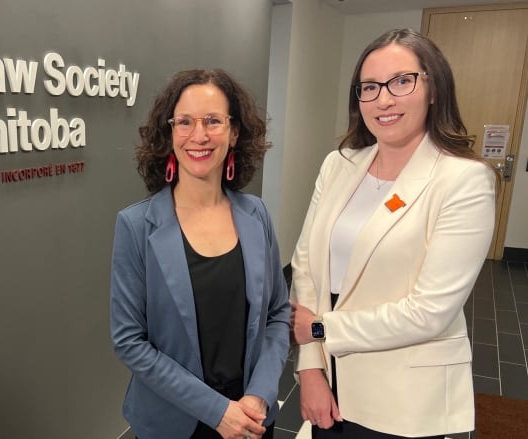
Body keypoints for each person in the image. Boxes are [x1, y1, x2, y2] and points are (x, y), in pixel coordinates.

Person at [289, 28, 497, 439]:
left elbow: (429, 311)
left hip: (403, 402)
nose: (383, 99)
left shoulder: (464, 180)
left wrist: (319, 330)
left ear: (433, 88)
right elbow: (306, 266)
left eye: (402, 81)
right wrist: (310, 368)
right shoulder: (340, 164)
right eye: (369, 87)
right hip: (329, 382)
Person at [110, 69, 290, 439]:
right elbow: (129, 340)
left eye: (213, 121)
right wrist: (216, 410)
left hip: (251, 416)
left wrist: (259, 396)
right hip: (175, 421)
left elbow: (277, 313)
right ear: (169, 132)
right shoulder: (137, 226)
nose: (199, 135)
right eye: (185, 122)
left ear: (234, 132)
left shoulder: (256, 215)